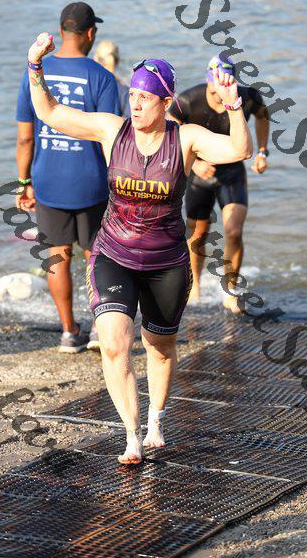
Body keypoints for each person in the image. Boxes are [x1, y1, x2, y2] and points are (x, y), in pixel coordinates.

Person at [26, 32, 253, 464]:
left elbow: (240, 149)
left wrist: (235, 106)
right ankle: (131, 435)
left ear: (165, 102)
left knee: (159, 347)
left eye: (144, 98)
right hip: (114, 253)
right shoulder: (113, 130)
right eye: (131, 95)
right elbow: (50, 112)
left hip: (167, 262)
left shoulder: (185, 138)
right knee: (114, 343)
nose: (134, 104)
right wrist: (35, 67)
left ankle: (155, 421)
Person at [16, 3, 119, 353]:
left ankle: (68, 331)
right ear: (90, 33)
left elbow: (25, 138)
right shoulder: (102, 78)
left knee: (57, 256)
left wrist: (24, 183)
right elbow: (109, 139)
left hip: (48, 181)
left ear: (61, 31)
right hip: (91, 183)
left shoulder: (35, 73)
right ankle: (99, 329)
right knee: (97, 256)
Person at [169, 55, 269, 313]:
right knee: (197, 234)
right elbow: (171, 130)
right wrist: (193, 164)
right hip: (199, 173)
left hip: (231, 173)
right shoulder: (188, 101)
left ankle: (230, 291)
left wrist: (262, 151)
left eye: (226, 81)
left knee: (233, 231)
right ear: (208, 79)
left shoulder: (247, 97)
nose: (221, 87)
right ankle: (195, 287)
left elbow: (263, 115)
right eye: (216, 81)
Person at [94, 40, 130, 118]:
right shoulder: (124, 90)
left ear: (95, 59)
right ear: (117, 61)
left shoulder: (88, 84)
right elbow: (129, 119)